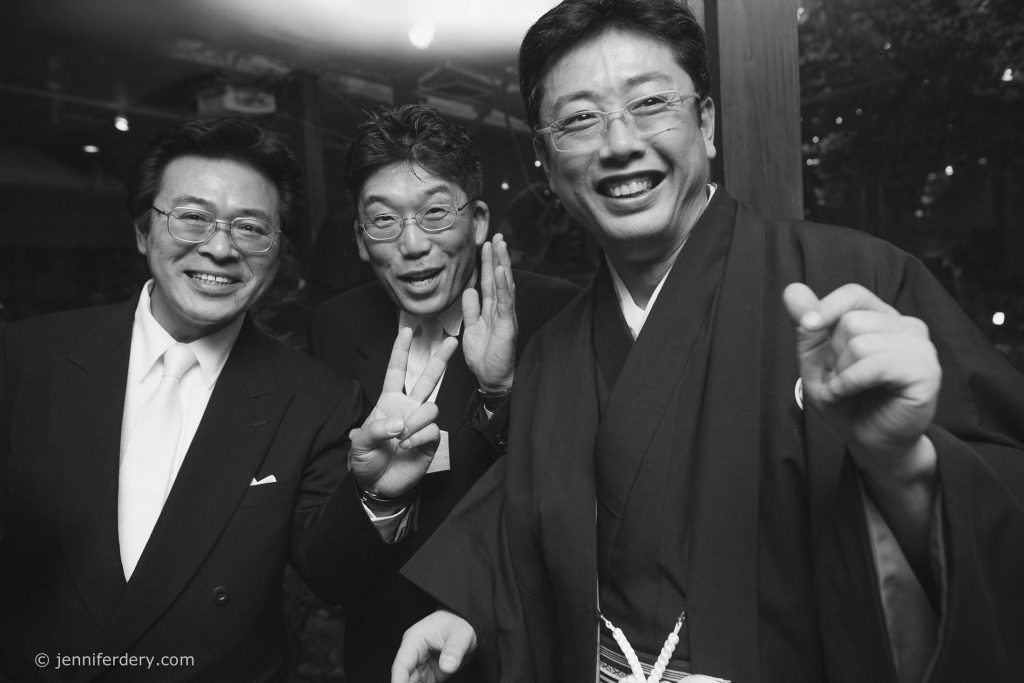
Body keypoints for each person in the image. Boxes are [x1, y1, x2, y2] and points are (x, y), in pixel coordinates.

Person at [392, 1, 1024, 681]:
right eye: (579, 119)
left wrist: (905, 464)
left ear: (708, 123)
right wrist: (468, 612)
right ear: (547, 162)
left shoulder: (854, 283)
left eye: (651, 102)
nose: (619, 143)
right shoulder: (553, 355)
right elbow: (523, 524)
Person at [0, 115, 454, 682]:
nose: (220, 248)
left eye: (250, 228)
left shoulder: (316, 398)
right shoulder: (24, 360)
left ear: (277, 249)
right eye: (192, 218)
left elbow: (330, 579)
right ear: (143, 231)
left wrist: (377, 497)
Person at [307, 104, 579, 682]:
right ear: (361, 238)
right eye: (383, 220)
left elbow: (578, 513)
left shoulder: (557, 314)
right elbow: (325, 567)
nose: (411, 245)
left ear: (477, 222)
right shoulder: (336, 329)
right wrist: (375, 497)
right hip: (385, 658)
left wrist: (500, 392)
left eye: (435, 213)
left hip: (518, 653)